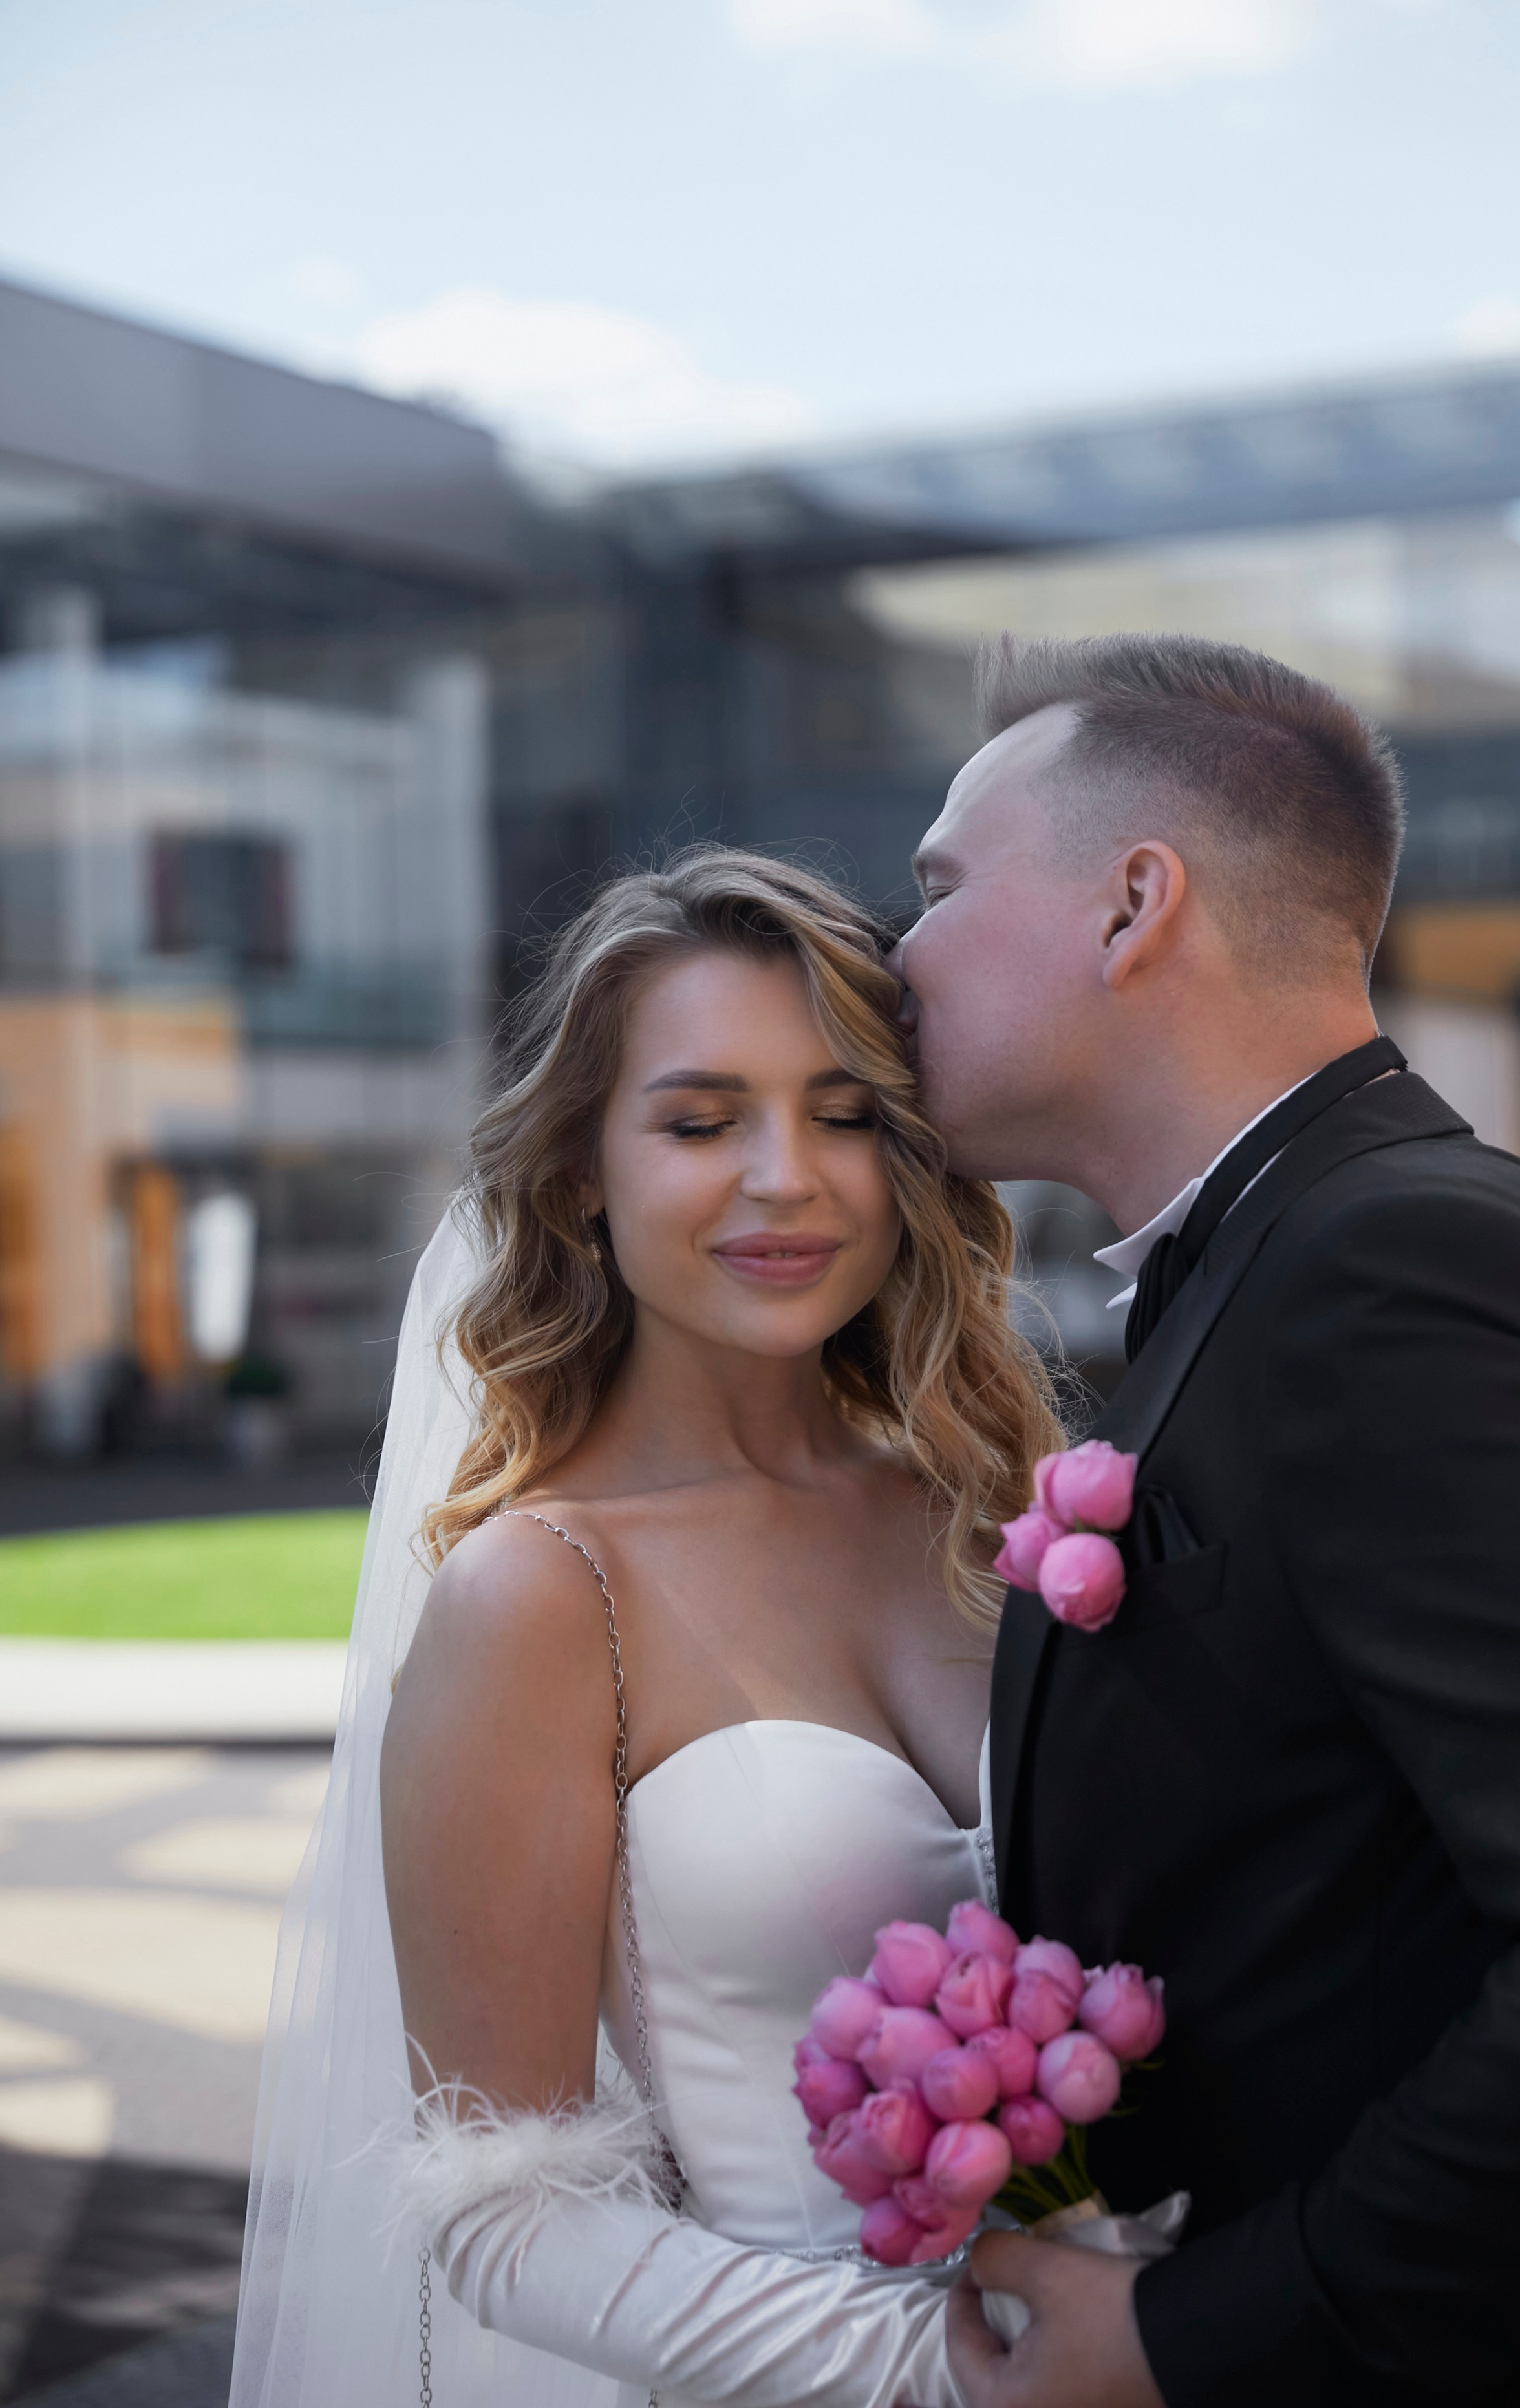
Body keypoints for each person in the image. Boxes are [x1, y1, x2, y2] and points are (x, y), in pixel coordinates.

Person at [886, 633, 1520, 2407]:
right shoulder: (1266, 1265)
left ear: (1132, 903)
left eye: (935, 886)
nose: (893, 951)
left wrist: (1199, 2335)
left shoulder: (1402, 1265)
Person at [228, 848, 1063, 2408]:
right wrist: (948, 2372)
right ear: (576, 1178)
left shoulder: (996, 1514)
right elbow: (505, 2204)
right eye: (698, 1121)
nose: (784, 1177)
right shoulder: (540, 1594)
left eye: (844, 1113)